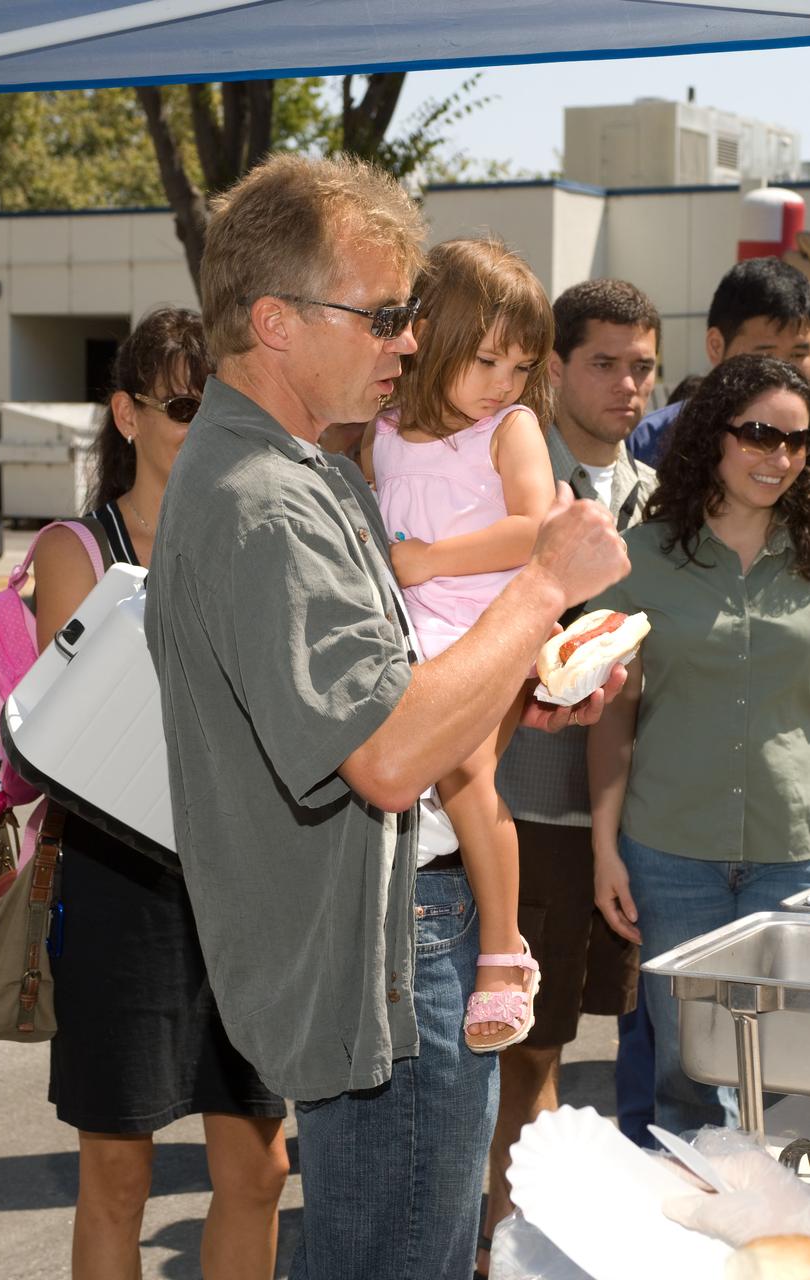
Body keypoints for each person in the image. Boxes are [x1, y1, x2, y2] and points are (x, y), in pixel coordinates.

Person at [144, 152, 631, 1280]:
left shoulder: (298, 470)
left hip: (391, 925)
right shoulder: (270, 502)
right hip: (393, 937)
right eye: (382, 316)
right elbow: (386, 754)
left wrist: (519, 687)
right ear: (275, 321)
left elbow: (388, 696)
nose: (409, 343)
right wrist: (543, 585)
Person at [33, 308, 289, 1280]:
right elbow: (86, 737)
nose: (209, 427)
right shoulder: (77, 551)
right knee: (117, 1176)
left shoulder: (261, 538)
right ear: (127, 414)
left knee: (259, 1169)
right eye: (186, 406)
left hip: (245, 888)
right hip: (120, 887)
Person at [477, 276, 659, 1270]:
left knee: (598, 1051)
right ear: (553, 367)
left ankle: (531, 1241)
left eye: (643, 367)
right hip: (516, 809)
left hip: (621, 820)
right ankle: (504, 1248)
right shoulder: (510, 485)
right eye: (604, 363)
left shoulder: (658, 495)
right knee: (521, 1055)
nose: (627, 384)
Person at [589, 353, 810, 1136]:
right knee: (686, 1078)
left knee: (791, 1083)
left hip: (794, 855)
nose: (779, 457)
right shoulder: (640, 560)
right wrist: (605, 849)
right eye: (759, 434)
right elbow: (613, 714)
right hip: (669, 856)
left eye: (797, 442)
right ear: (713, 434)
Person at [362, 236, 556, 1052]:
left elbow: (537, 528)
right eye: (486, 360)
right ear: (432, 334)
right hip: (403, 630)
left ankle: (504, 955)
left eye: (521, 366)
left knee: (467, 774)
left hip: (488, 626)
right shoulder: (382, 428)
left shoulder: (511, 428)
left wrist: (431, 559)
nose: (503, 383)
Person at [629, 256, 810, 467]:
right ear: (716, 346)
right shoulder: (648, 443)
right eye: (766, 356)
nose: (784, 370)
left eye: (798, 354)